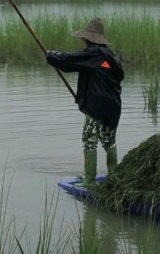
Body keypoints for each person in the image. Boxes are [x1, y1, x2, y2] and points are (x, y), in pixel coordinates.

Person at [46, 17, 125, 188]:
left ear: (87, 39)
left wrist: (51, 55)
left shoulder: (93, 53)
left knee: (89, 140)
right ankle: (114, 178)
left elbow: (68, 60)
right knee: (109, 140)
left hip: (97, 106)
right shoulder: (109, 56)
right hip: (114, 107)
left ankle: (89, 181)